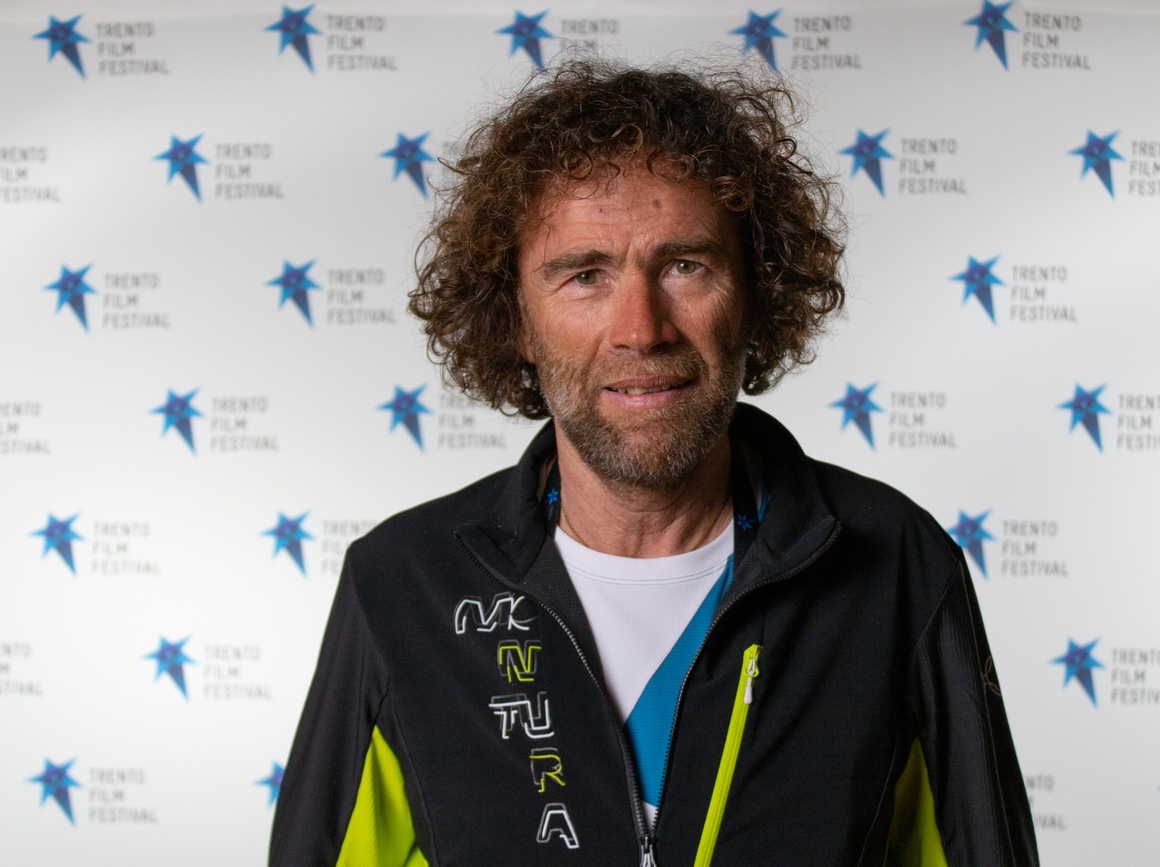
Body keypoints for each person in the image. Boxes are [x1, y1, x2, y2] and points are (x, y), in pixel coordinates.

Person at [270, 59, 1038, 867]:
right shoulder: (401, 587)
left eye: (684, 266)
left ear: (754, 295)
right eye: (585, 275)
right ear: (517, 321)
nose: (641, 329)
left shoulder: (898, 568)